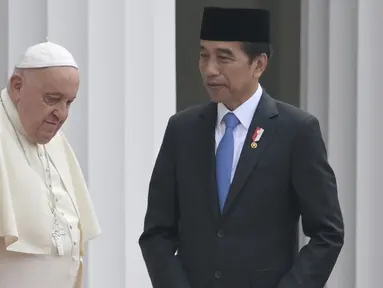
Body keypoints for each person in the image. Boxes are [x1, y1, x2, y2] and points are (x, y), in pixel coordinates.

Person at [139, 6, 344, 288]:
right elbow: (156, 232)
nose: (210, 69)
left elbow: (327, 233)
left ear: (258, 65)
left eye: (224, 58)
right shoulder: (182, 130)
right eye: (203, 55)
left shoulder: (296, 131)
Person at [0, 41, 101, 288]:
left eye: (68, 103)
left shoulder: (56, 142)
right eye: (52, 99)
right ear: (17, 87)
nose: (62, 114)